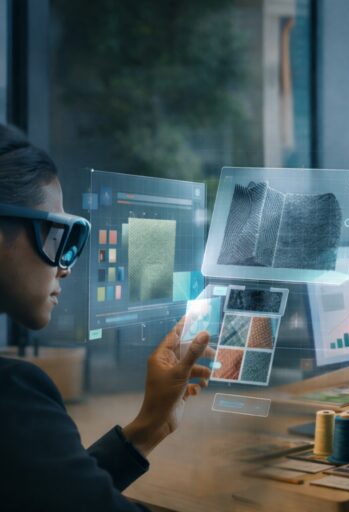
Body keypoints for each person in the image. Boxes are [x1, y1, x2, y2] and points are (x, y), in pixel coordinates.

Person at [0, 124, 214, 511]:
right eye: (56, 235)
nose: (66, 267)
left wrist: (149, 426)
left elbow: (50, 498)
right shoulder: (12, 396)